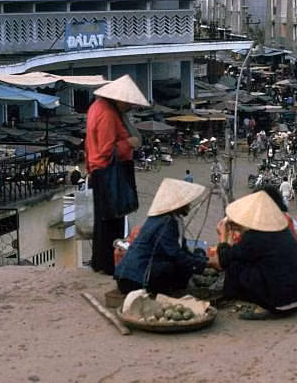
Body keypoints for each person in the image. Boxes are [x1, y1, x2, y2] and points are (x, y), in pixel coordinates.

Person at [207, 191, 297, 320]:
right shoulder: (281, 231)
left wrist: (224, 235)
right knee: (244, 261)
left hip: (282, 302)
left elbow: (224, 259)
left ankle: (236, 297)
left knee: (234, 266)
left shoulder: (255, 237)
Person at [85, 75, 147, 275]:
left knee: (103, 220)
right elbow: (106, 150)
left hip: (99, 170)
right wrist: (128, 144)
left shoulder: (97, 107)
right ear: (119, 98)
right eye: (127, 103)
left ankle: (101, 261)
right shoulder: (107, 114)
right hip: (107, 171)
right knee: (112, 220)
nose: (129, 106)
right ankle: (109, 263)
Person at [114, 178, 208, 296]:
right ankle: (164, 291)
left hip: (135, 273)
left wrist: (202, 261)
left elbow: (182, 249)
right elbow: (175, 254)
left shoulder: (172, 219)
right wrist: (204, 265)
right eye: (186, 203)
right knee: (171, 266)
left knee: (196, 254)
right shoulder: (167, 222)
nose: (189, 205)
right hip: (133, 280)